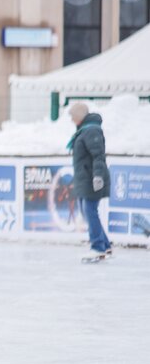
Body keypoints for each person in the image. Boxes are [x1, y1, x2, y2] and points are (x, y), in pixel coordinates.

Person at [67, 102, 112, 261]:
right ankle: (104, 245)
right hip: (85, 179)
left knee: (90, 211)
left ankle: (98, 246)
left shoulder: (91, 130)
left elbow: (98, 156)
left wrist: (98, 176)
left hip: (92, 179)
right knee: (87, 212)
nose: (72, 120)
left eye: (73, 116)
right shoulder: (84, 130)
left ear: (79, 116)